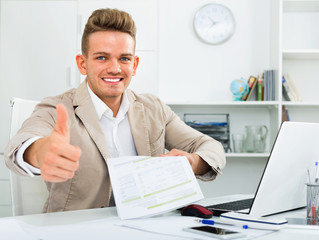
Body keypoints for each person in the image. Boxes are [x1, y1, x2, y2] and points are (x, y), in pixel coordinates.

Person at [5, 8, 226, 213]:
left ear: (135, 64)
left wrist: (193, 163)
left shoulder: (153, 108)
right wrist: (39, 152)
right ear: (83, 64)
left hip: (146, 229)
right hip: (75, 231)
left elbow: (211, 146)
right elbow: (18, 146)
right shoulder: (57, 107)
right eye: (102, 57)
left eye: (124, 59)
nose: (114, 68)